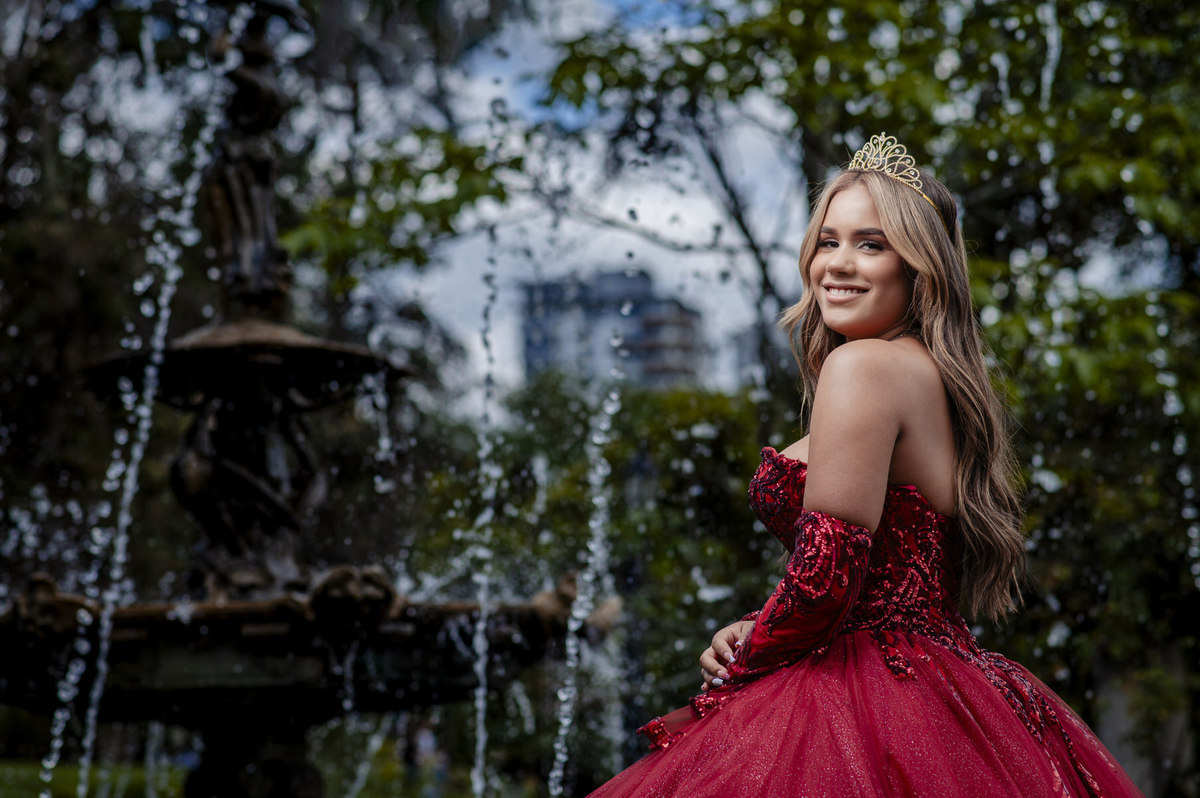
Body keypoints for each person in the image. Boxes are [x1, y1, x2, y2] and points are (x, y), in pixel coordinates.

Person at [587, 134, 1143, 797]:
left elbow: (826, 579)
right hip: (940, 689)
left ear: (918, 267)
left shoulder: (865, 366)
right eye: (828, 241)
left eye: (871, 244)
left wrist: (740, 672)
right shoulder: (930, 377)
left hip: (865, 695)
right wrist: (757, 626)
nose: (838, 265)